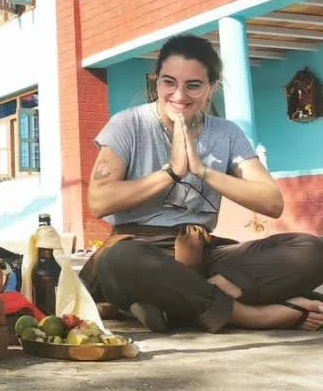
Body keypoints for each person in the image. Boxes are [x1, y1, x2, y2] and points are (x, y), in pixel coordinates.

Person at [81, 34, 323, 333]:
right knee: (119, 261)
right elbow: (99, 201)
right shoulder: (128, 124)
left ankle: (166, 305)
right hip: (140, 250)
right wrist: (171, 172)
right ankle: (246, 314)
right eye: (169, 82)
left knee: (312, 251)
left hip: (206, 253)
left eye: (193, 85)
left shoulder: (227, 133)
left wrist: (202, 170)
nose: (180, 96)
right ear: (156, 81)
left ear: (211, 88)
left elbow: (272, 202)